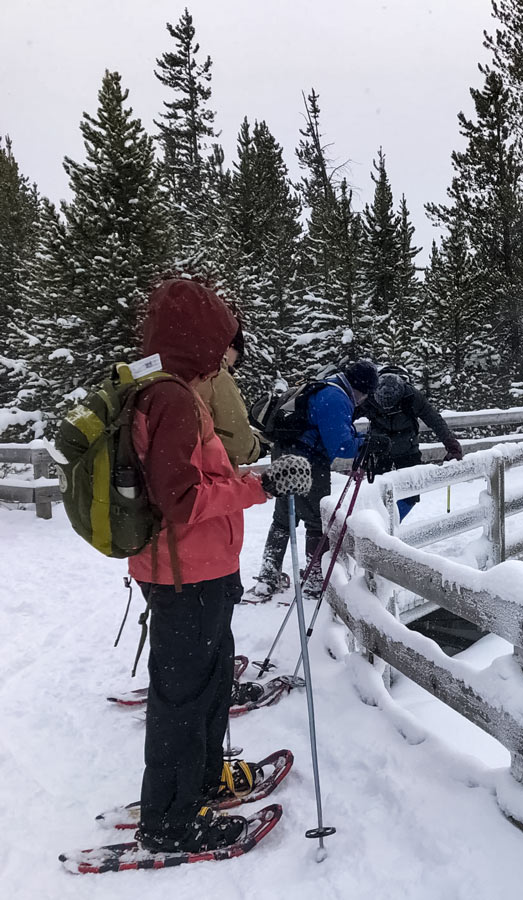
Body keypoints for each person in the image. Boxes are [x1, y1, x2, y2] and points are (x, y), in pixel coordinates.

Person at [129, 278, 310, 853]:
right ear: (200, 339)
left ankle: (201, 784)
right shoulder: (174, 399)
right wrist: (257, 491)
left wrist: (257, 478)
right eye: (218, 338)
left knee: (206, 687)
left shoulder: (164, 389)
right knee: (183, 698)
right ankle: (170, 822)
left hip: (195, 570)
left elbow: (200, 478)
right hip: (186, 572)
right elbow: (181, 499)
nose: (222, 353)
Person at [253, 359, 378, 599]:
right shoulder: (337, 398)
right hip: (308, 463)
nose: (363, 401)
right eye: (366, 395)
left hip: (285, 454)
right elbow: (342, 447)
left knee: (283, 518)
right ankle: (314, 579)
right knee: (316, 519)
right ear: (361, 388)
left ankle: (268, 577)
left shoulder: (325, 386)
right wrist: (368, 443)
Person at [361, 370, 464, 524]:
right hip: (379, 448)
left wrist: (451, 445)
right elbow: (347, 417)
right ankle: (379, 527)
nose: (387, 409)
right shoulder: (367, 397)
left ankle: (390, 525)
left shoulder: (412, 397)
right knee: (378, 492)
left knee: (412, 492)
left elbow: (434, 419)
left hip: (407, 447)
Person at [194, 323, 262, 467]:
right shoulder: (216, 377)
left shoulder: (178, 370)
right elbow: (239, 446)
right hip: (208, 478)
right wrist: (256, 447)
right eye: (235, 362)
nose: (232, 369)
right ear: (229, 347)